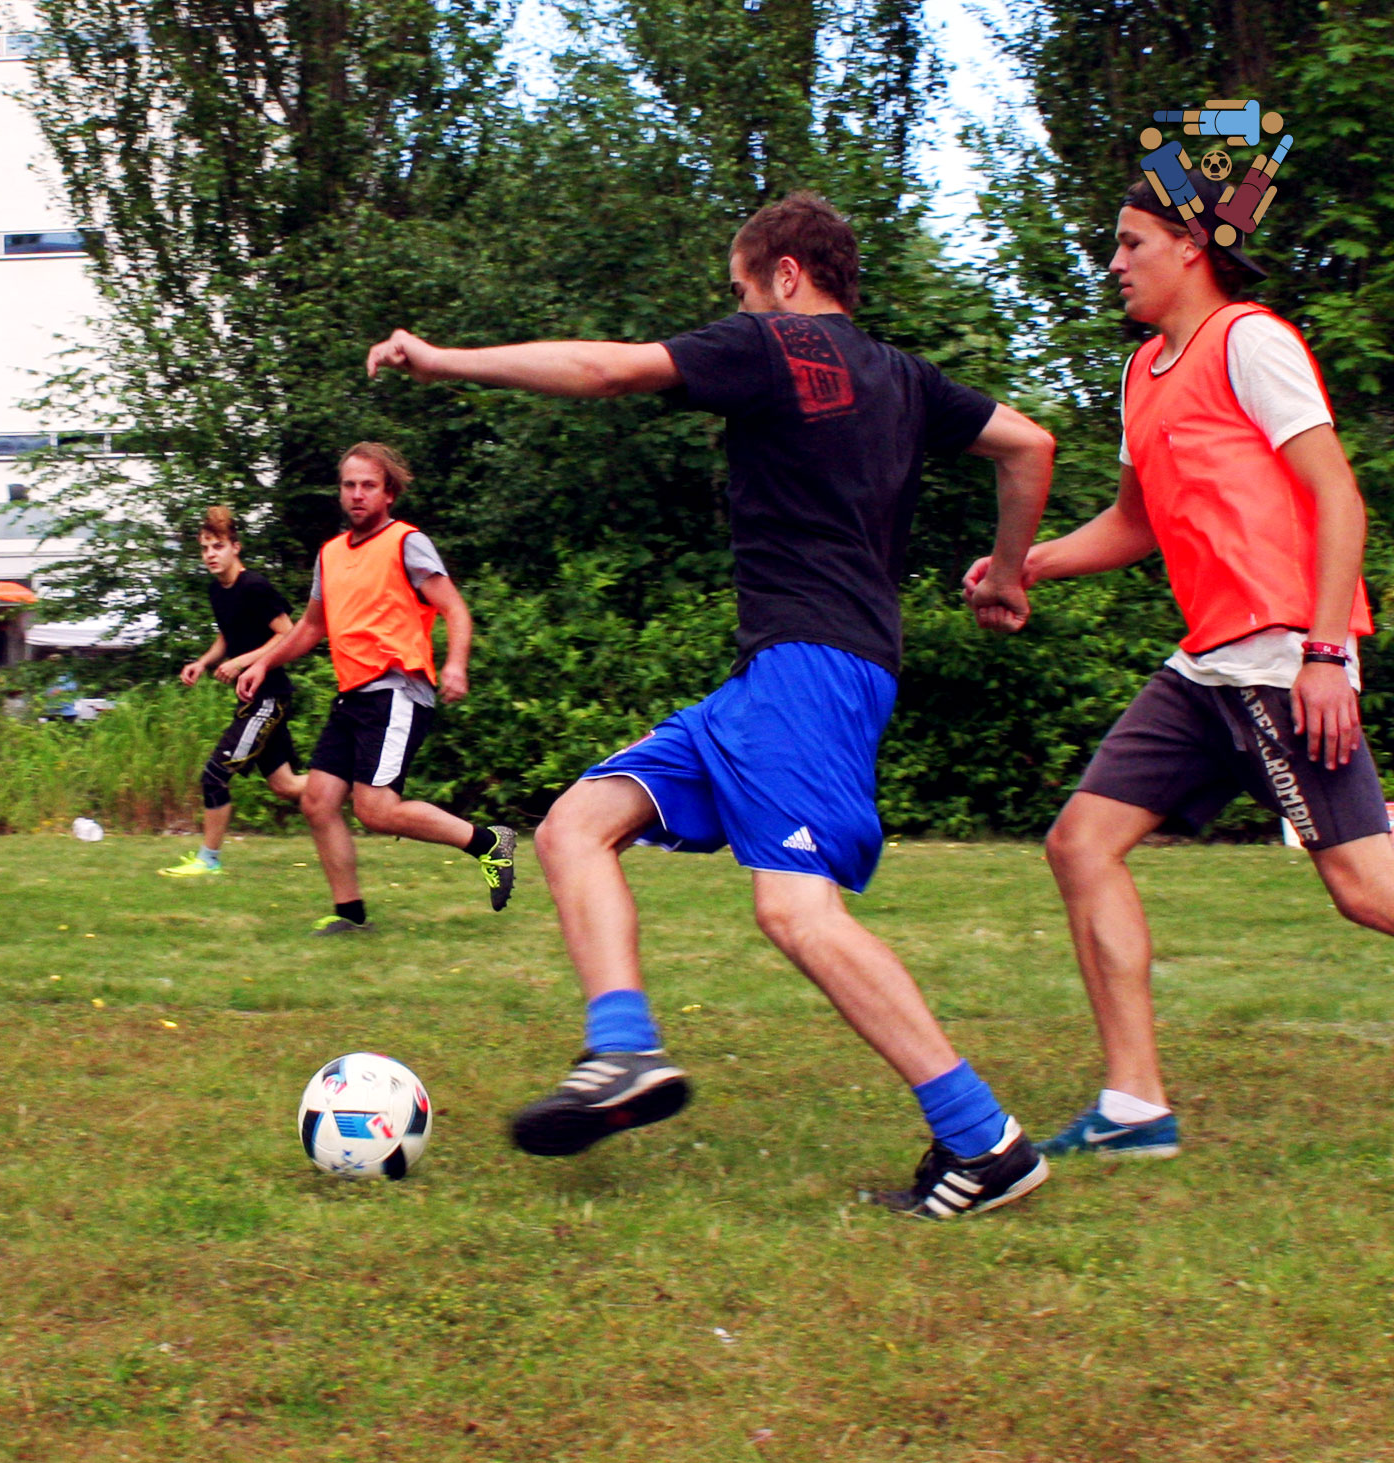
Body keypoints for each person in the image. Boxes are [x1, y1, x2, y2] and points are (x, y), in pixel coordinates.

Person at [368, 191, 1059, 1218]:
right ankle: (621, 1051)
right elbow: (1030, 445)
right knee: (574, 827)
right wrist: (1005, 573)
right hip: (777, 677)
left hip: (812, 671)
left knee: (794, 909)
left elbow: (606, 370)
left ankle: (984, 1139)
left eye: (739, 288)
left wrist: (444, 360)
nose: (735, 307)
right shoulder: (907, 377)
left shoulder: (774, 343)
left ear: (784, 276)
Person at [975, 171, 1394, 1163]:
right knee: (1080, 843)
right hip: (1207, 662)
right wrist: (1023, 564)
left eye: (1131, 243)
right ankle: (1133, 1107)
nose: (1114, 263)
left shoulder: (1249, 340)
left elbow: (1337, 496)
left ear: (1189, 247)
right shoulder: (1143, 373)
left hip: (1282, 653)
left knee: (1364, 886)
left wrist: (1324, 652)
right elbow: (1135, 522)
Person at [234, 444, 520, 931]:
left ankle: (489, 843)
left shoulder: (407, 542)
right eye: (349, 485)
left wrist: (455, 665)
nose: (357, 494)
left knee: (376, 810)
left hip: (396, 691)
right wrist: (263, 662)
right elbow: (310, 627)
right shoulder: (330, 554)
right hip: (353, 697)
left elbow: (454, 608)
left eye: (368, 485)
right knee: (317, 801)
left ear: (388, 493)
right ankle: (350, 915)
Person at [159, 505, 309, 876]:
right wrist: (203, 662)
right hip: (253, 698)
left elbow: (287, 633)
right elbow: (228, 635)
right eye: (205, 548)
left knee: (214, 775)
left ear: (235, 547)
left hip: (269, 697)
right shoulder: (218, 590)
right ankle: (357, 788)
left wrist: (242, 662)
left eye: (218, 546)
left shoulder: (254, 586)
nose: (210, 554)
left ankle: (208, 860)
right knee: (286, 785)